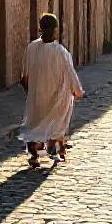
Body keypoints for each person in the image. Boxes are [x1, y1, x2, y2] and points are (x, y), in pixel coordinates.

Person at [19, 13, 83, 167]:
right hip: (56, 97)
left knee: (34, 124)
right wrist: (77, 90)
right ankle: (57, 144)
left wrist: (31, 92)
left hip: (37, 97)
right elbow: (70, 73)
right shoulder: (61, 52)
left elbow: (24, 76)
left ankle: (35, 152)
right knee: (59, 116)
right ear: (55, 30)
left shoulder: (31, 48)